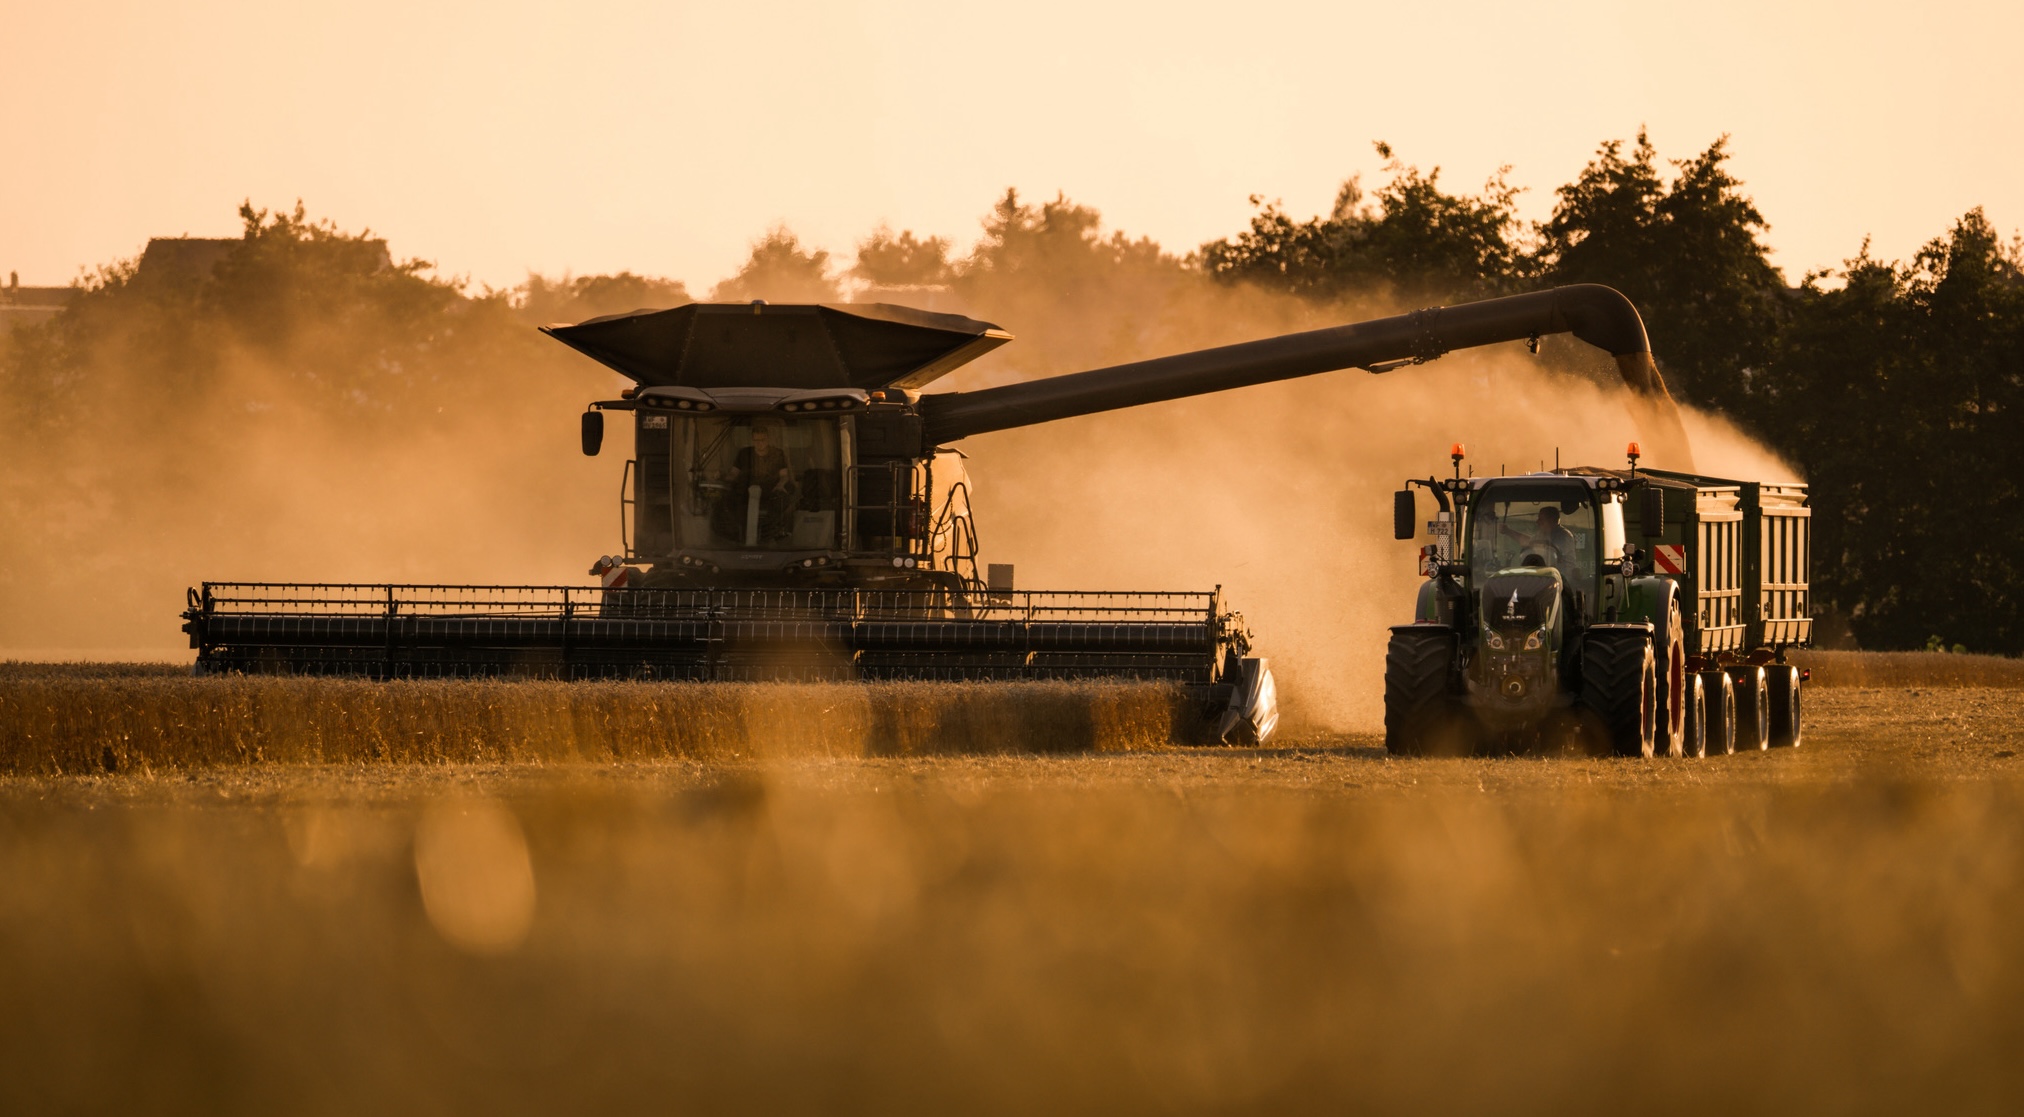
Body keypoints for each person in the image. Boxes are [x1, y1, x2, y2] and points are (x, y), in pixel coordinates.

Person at [727, 424, 794, 540]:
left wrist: (780, 485)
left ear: (768, 439)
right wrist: (724, 480)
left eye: (762, 440)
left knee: (784, 501)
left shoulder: (778, 454)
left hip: (771, 493)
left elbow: (784, 476)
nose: (759, 443)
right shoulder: (744, 453)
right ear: (752, 440)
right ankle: (738, 536)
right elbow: (733, 473)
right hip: (745, 493)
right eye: (756, 440)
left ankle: (774, 534)